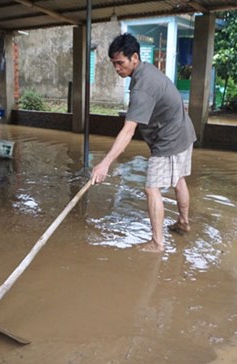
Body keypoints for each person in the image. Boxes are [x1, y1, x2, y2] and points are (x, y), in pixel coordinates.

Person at [90, 33, 197, 253]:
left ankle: (157, 243)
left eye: (120, 63)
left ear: (135, 58)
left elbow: (128, 130)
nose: (117, 69)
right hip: (184, 131)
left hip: (170, 139)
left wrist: (105, 164)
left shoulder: (142, 87)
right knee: (178, 180)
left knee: (151, 188)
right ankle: (184, 222)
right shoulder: (146, 71)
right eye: (114, 64)